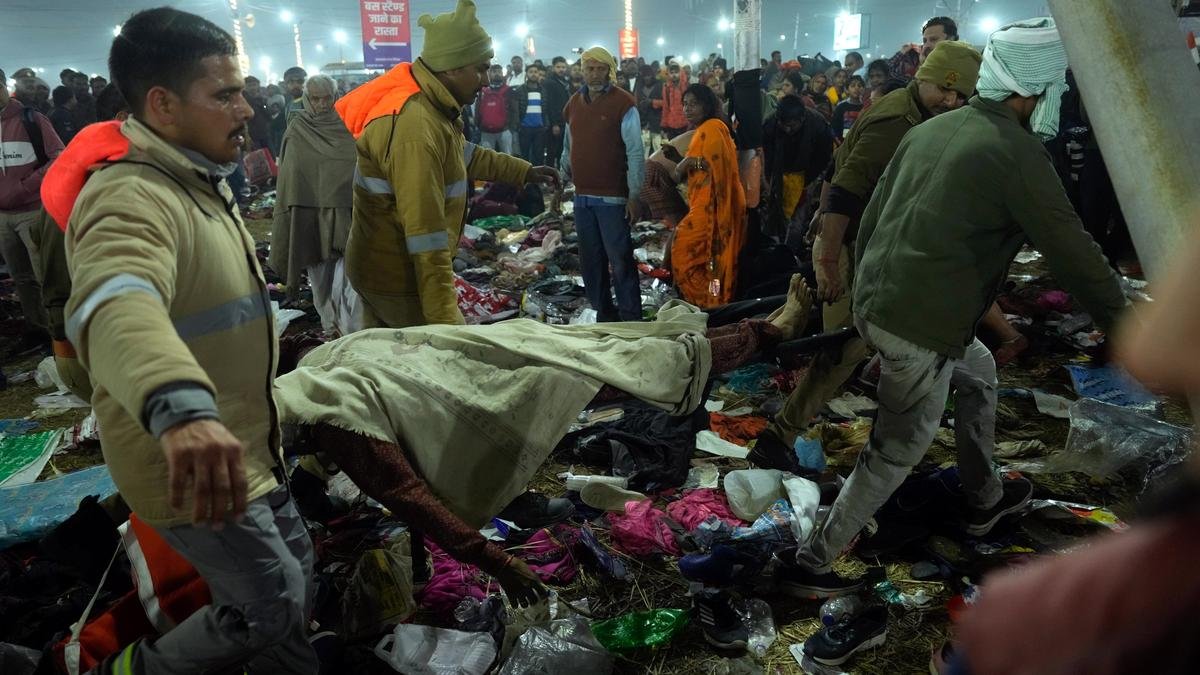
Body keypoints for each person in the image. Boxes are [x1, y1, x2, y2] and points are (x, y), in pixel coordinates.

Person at [778, 18, 1128, 600]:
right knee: (895, 448)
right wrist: (1134, 331)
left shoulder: (938, 127)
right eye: (1056, 90)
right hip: (917, 323)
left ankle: (983, 498)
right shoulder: (1016, 153)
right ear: (1033, 89)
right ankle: (809, 563)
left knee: (980, 372)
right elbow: (1077, 256)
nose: (1058, 101)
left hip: (883, 302)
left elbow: (879, 209)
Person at [47, 8, 317, 671]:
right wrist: (182, 411)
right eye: (224, 93)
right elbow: (116, 302)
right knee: (271, 601)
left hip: (246, 444)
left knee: (299, 579)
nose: (247, 106)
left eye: (242, 87)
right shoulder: (131, 196)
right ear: (163, 104)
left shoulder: (194, 178)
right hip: (190, 464)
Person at [753, 41, 982, 465]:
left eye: (961, 95)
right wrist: (826, 258)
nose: (951, 101)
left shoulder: (917, 111)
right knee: (844, 347)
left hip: (876, 243)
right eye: (944, 90)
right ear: (922, 78)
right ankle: (778, 438)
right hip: (853, 243)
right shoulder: (897, 119)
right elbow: (845, 187)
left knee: (860, 346)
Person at [337, 0, 558, 329]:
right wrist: (446, 324)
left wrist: (524, 171)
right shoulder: (415, 127)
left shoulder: (431, 108)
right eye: (480, 69)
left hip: (392, 268)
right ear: (452, 68)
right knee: (416, 366)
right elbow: (426, 237)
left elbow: (463, 155)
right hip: (395, 276)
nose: (485, 80)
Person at [270, 74, 362, 337]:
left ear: (335, 97)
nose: (322, 104)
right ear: (306, 99)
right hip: (309, 214)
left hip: (345, 211)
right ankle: (328, 326)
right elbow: (290, 176)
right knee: (320, 278)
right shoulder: (296, 130)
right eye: (315, 99)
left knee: (349, 277)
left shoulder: (348, 126)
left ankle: (348, 331)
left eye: (327, 98)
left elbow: (357, 166)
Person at [561, 45, 645, 322]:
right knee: (591, 263)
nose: (595, 74)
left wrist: (634, 195)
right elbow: (567, 148)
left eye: (600, 69)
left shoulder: (624, 103)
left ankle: (631, 317)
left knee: (620, 260)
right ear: (582, 71)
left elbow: (635, 151)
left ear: (610, 71)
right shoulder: (573, 103)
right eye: (589, 68)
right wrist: (562, 182)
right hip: (582, 197)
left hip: (613, 198)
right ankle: (603, 315)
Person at [669, 84, 745, 307]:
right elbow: (701, 171)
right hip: (707, 204)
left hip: (713, 208)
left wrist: (689, 162)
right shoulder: (708, 129)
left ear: (707, 105)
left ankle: (709, 301)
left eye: (693, 104)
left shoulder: (712, 128)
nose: (687, 109)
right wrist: (680, 160)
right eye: (684, 104)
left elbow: (715, 166)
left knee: (686, 254)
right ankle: (713, 301)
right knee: (712, 262)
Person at [1, 77, 62, 354]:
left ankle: (60, 333)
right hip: (3, 217)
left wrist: (27, 186)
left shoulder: (31, 119)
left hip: (32, 211)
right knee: (20, 277)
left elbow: (58, 156)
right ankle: (36, 330)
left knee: (45, 275)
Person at [762, 95, 833, 239]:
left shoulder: (818, 124)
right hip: (779, 174)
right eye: (784, 125)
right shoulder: (771, 124)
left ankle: (792, 252)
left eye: (792, 125)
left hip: (807, 174)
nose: (787, 129)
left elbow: (824, 157)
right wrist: (768, 181)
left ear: (802, 119)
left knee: (798, 218)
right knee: (774, 214)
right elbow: (766, 157)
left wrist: (808, 182)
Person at [640, 129, 693, 229]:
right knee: (677, 222)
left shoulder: (698, 132)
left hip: (649, 172)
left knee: (682, 216)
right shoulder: (705, 136)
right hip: (655, 175)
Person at [475, 64, 519, 155]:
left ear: (502, 74)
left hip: (505, 130)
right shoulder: (482, 90)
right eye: (494, 72)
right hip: (486, 130)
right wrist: (479, 125)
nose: (497, 74)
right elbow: (477, 108)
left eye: (499, 72)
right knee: (487, 158)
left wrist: (511, 128)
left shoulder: (509, 90)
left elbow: (515, 110)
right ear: (489, 74)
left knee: (507, 159)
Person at [515, 63, 548, 165]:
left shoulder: (543, 90)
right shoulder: (520, 90)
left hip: (539, 128)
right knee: (524, 155)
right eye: (531, 72)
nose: (533, 74)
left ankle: (538, 178)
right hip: (525, 128)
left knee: (538, 155)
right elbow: (516, 109)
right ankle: (525, 177)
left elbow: (545, 109)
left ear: (539, 74)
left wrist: (545, 124)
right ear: (527, 74)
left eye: (536, 72)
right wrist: (518, 124)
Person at [543, 56, 572, 169]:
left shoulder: (565, 82)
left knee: (562, 150)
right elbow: (550, 104)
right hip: (555, 123)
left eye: (563, 67)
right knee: (552, 152)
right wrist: (554, 123)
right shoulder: (549, 83)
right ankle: (550, 178)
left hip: (565, 121)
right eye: (558, 67)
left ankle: (561, 176)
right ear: (553, 68)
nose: (561, 69)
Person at [636, 64, 664, 155]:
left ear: (652, 75)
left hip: (657, 123)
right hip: (644, 124)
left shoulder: (660, 85)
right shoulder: (639, 87)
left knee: (659, 151)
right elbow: (636, 104)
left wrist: (652, 102)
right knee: (644, 151)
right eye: (644, 76)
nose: (647, 78)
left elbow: (666, 104)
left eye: (649, 75)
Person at [831, 75, 866, 140]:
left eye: (859, 86)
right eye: (852, 86)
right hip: (843, 141)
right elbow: (835, 127)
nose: (856, 88)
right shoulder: (841, 106)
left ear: (863, 89)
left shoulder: (866, 106)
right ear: (847, 90)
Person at [661, 61, 688, 139]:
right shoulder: (666, 88)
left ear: (681, 73)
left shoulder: (686, 86)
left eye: (676, 72)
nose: (674, 75)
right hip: (671, 125)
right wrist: (664, 126)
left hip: (685, 124)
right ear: (668, 74)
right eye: (671, 72)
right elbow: (665, 107)